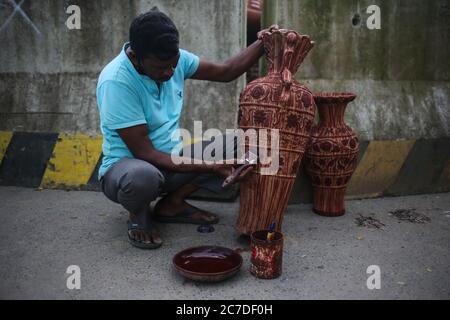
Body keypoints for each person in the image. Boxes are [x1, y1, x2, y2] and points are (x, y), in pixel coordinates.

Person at [96, 10, 267, 249]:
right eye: (161, 67)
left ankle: (172, 204)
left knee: (242, 141)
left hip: (170, 164)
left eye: (173, 65)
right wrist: (214, 166)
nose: (169, 72)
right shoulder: (116, 81)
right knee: (143, 177)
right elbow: (148, 155)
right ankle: (138, 213)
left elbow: (227, 71)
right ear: (136, 57)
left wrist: (264, 41)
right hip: (127, 168)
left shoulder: (176, 61)